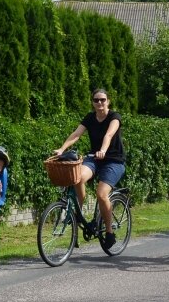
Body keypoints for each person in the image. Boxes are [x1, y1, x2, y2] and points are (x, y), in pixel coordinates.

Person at [53, 89, 125, 250]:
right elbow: (76, 134)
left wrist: (104, 150)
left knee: (101, 194)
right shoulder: (90, 117)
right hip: (95, 158)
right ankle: (78, 211)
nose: (99, 103)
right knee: (76, 177)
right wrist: (62, 149)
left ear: (108, 101)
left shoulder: (114, 117)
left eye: (103, 100)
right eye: (96, 100)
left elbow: (108, 135)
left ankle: (109, 231)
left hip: (113, 161)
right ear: (92, 102)